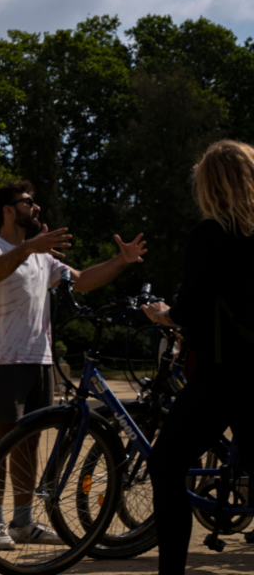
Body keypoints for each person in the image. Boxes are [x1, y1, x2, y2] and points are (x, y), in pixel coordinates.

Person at [0, 181, 146, 549]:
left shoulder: (42, 257)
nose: (36, 208)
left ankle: (23, 522)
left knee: (31, 442)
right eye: (28, 203)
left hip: (41, 360)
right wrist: (28, 247)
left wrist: (121, 260)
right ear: (8, 210)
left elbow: (82, 280)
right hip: (6, 359)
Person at [141, 140, 254, 575]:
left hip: (223, 374)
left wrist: (162, 315)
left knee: (166, 463)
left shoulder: (209, 233)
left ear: (209, 184)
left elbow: (190, 307)